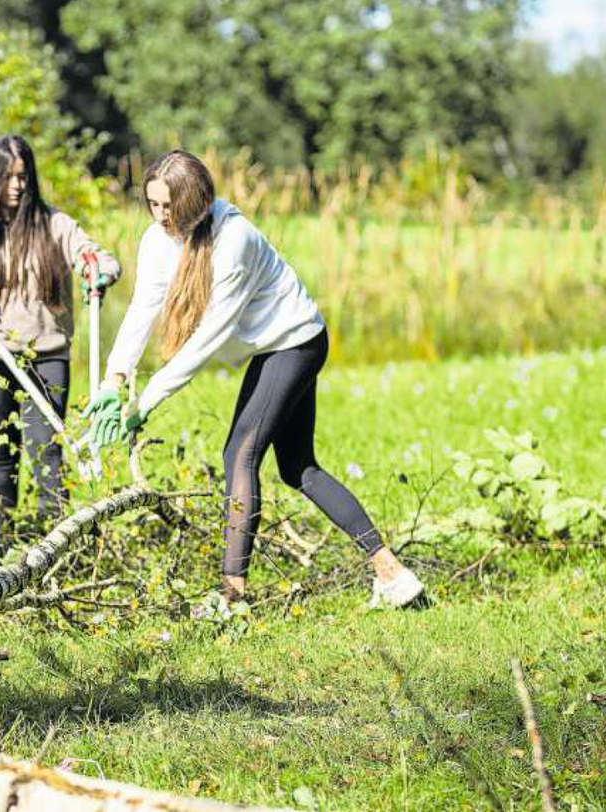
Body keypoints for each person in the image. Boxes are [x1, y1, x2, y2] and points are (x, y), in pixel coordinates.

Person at [87, 149, 424, 609]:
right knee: (298, 468)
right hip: (278, 346)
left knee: (240, 455)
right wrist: (113, 380)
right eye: (153, 204)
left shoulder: (234, 239)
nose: (161, 216)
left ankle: (232, 597)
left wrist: (146, 400)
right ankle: (392, 573)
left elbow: (208, 338)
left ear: (196, 202)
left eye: (170, 207)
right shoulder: (156, 241)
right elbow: (141, 311)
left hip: (296, 342)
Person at [0, 134, 120, 556]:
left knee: (47, 454)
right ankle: (6, 548)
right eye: (7, 178)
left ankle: (57, 551)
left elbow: (98, 258)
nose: (17, 186)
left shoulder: (55, 225)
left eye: (23, 177)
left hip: (47, 357)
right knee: (2, 453)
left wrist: (101, 271)